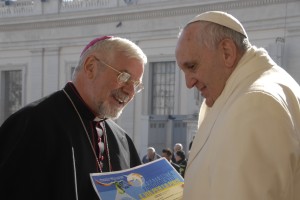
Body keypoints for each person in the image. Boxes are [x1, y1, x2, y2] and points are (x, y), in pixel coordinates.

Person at [0, 36, 147, 200]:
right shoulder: (33, 123)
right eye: (124, 77)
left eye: (136, 85)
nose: (130, 92)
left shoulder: (122, 140)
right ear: (90, 67)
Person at [175, 11, 300, 200]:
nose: (189, 83)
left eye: (192, 67)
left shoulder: (254, 103)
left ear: (227, 52)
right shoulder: (255, 88)